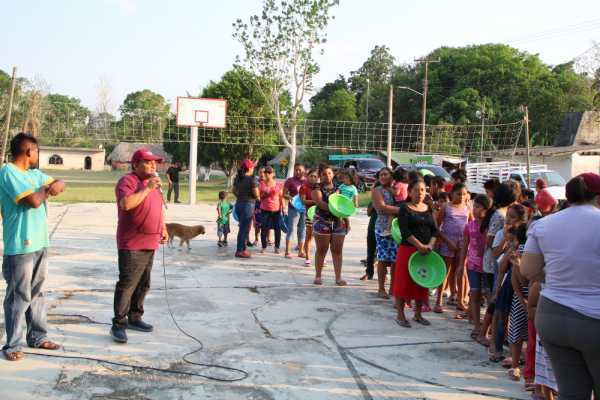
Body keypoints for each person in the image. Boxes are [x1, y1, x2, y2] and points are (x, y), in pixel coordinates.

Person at [522, 173, 600, 399]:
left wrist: (556, 274)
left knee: (571, 392)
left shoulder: (544, 224)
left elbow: (527, 270)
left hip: (553, 315)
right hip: (594, 318)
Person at [1, 133, 66, 361]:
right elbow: (34, 201)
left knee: (37, 293)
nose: (38, 155)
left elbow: (60, 183)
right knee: (18, 295)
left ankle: (37, 336)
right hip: (20, 245)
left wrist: (55, 184)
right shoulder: (8, 172)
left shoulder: (34, 174)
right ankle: (13, 344)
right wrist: (48, 189)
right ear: (29, 151)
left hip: (40, 242)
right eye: (37, 151)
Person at [111, 148, 168, 344]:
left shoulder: (155, 184)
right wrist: (147, 188)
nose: (153, 165)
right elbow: (126, 204)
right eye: (148, 162)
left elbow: (159, 207)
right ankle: (119, 324)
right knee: (127, 285)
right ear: (135, 165)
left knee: (144, 284)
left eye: (155, 162)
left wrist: (163, 228)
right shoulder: (128, 182)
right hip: (132, 243)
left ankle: (135, 317)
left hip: (150, 241)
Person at [392, 178, 439, 328]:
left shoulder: (428, 208)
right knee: (403, 282)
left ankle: (418, 314)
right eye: (416, 190)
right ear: (410, 192)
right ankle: (400, 315)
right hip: (408, 250)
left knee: (421, 282)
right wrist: (419, 245)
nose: (420, 193)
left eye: (423, 190)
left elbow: (434, 231)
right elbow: (405, 232)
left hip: (425, 252)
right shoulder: (404, 208)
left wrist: (430, 245)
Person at [459, 194, 492, 345]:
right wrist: (461, 265)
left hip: (487, 266)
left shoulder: (490, 226)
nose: (475, 209)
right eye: (475, 206)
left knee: (488, 295)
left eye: (478, 206)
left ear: (486, 209)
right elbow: (464, 246)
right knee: (475, 294)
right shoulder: (469, 225)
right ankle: (477, 326)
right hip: (472, 265)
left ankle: (487, 325)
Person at [435, 183, 471, 313]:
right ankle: (439, 300)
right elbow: (437, 227)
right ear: (452, 194)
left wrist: (468, 242)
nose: (461, 196)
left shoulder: (468, 208)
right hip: (447, 243)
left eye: (464, 194)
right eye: (458, 194)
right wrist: (447, 241)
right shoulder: (446, 207)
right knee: (445, 271)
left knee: (461, 272)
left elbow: (471, 226)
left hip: (463, 245)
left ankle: (460, 301)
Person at [312, 165, 348, 286]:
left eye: (329, 173)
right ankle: (318, 275)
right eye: (324, 174)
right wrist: (335, 209)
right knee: (322, 250)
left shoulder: (339, 188)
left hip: (338, 222)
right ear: (320, 176)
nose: (327, 176)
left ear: (333, 174)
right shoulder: (317, 188)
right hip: (322, 221)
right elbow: (321, 204)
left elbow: (343, 205)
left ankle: (338, 277)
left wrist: (346, 220)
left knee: (337, 251)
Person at [371, 167, 400, 298]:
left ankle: (393, 288)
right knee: (382, 258)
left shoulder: (397, 190)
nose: (383, 177)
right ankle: (381, 288)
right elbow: (381, 208)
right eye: (381, 175)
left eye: (386, 174)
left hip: (398, 229)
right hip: (382, 229)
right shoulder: (377, 191)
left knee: (396, 260)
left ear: (391, 176)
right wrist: (403, 210)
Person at [507, 224, 529, 381]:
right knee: (517, 330)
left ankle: (527, 367)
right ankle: (515, 366)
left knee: (531, 335)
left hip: (536, 297)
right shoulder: (521, 249)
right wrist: (523, 302)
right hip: (522, 296)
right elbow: (516, 280)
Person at [232, 159, 260, 258]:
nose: (253, 169)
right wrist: (258, 198)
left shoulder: (237, 178)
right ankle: (240, 251)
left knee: (243, 228)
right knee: (244, 229)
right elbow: (256, 194)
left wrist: (240, 197)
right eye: (252, 167)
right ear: (249, 168)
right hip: (248, 205)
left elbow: (234, 191)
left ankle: (243, 249)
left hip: (239, 204)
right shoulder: (252, 179)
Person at [259, 166, 284, 254]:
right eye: (266, 172)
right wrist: (265, 194)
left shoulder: (278, 184)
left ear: (273, 174)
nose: (268, 174)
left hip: (276, 210)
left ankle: (277, 247)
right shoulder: (262, 184)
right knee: (264, 228)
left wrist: (283, 207)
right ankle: (264, 247)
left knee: (277, 228)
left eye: (270, 172)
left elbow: (281, 197)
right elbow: (259, 197)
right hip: (265, 209)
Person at [283, 164, 306, 259]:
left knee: (302, 230)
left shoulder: (307, 181)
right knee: (291, 229)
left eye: (300, 170)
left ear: (304, 171)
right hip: (293, 208)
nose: (298, 172)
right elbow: (284, 194)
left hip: (304, 209)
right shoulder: (290, 181)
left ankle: (301, 251)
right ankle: (287, 252)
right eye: (296, 170)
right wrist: (292, 199)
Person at [300, 168, 318, 267]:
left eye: (315, 176)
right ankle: (307, 257)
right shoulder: (304, 187)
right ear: (307, 177)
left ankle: (321, 258)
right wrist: (316, 201)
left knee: (321, 237)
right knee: (309, 236)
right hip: (309, 215)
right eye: (311, 176)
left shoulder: (319, 187)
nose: (313, 178)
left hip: (320, 216)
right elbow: (303, 201)